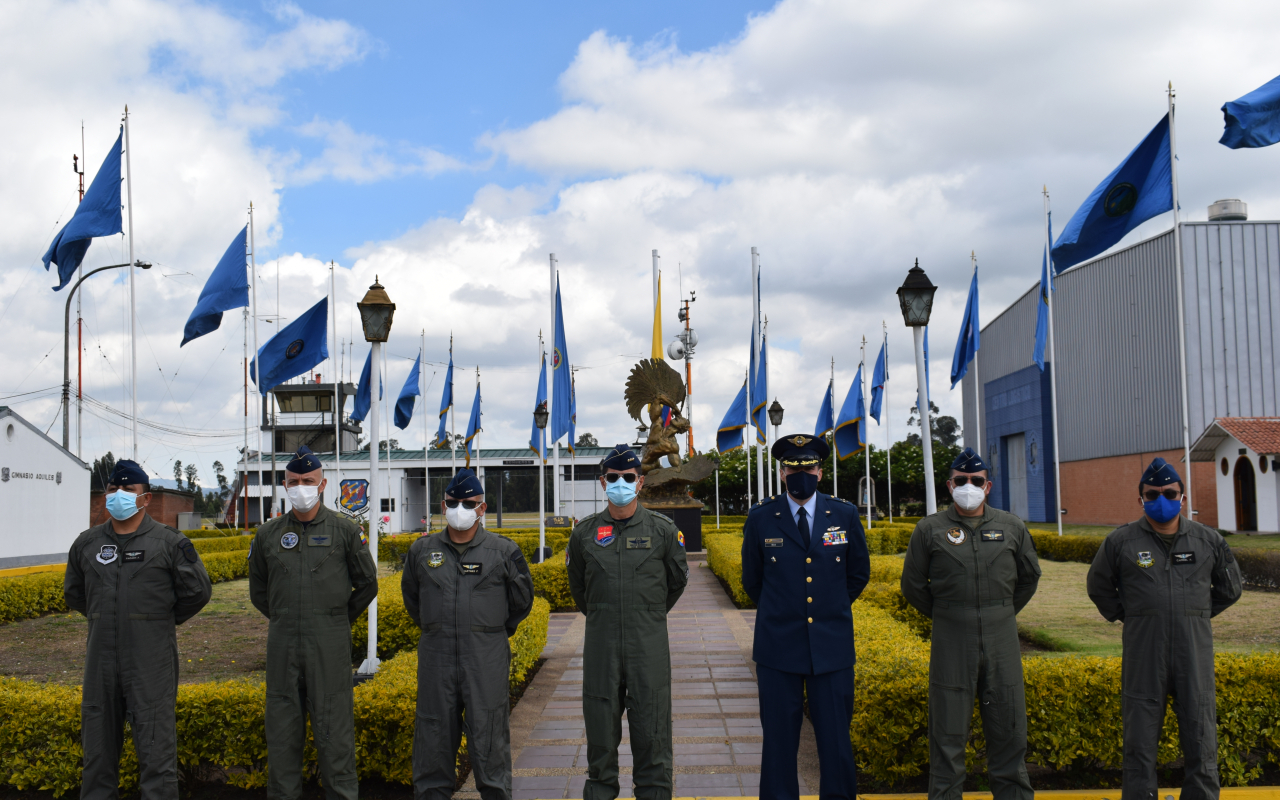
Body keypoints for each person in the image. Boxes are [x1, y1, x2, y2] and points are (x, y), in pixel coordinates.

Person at [1086, 457, 1242, 800]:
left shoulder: (1208, 541)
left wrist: (1196, 613)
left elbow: (1231, 588)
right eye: (1152, 493)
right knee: (1139, 737)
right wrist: (1135, 616)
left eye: (1169, 492)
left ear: (1182, 497)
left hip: (1193, 651)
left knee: (1200, 732)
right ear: (1139, 498)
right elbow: (1099, 587)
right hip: (1144, 651)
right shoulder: (1120, 542)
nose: (1161, 498)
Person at [64, 459, 213, 800]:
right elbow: (75, 593)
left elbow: (197, 592)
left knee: (156, 756)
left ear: (145, 498)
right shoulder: (86, 544)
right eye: (113, 489)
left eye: (128, 490)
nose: (118, 495)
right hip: (100, 663)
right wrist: (108, 616)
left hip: (152, 662)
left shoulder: (170, 543)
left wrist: (155, 620)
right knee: (97, 755)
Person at [900, 446, 1041, 800]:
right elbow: (913, 585)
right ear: (949, 486)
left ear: (988, 486)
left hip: (1001, 636)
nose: (968, 486)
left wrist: (1001, 610)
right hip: (951, 638)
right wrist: (949, 614)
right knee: (947, 736)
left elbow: (1029, 577)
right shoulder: (929, 529)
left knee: (1009, 731)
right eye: (960, 480)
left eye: (975, 480)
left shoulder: (1011, 526)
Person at [741, 433, 870, 800]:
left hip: (831, 648)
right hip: (778, 648)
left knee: (835, 741)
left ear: (820, 471)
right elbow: (753, 580)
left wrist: (828, 608)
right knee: (779, 742)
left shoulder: (842, 513)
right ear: (782, 473)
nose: (801, 475)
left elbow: (858, 573)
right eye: (792, 469)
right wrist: (786, 610)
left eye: (808, 468)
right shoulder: (763, 517)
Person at [248, 445, 378, 800]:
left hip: (330, 643)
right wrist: (285, 616)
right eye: (293, 481)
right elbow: (259, 590)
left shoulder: (346, 531)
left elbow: (368, 583)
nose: (300, 486)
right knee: (282, 734)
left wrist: (336, 618)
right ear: (284, 485)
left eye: (308, 480)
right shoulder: (268, 535)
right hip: (282, 644)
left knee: (335, 735)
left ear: (322, 484)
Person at [565, 444, 689, 800]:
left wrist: (646, 614)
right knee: (601, 738)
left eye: (628, 477)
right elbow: (579, 587)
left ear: (640, 482)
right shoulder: (584, 533)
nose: (620, 483)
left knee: (652, 735)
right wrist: (605, 613)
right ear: (603, 483)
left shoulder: (663, 531)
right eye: (613, 477)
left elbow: (676, 582)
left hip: (647, 647)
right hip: (601, 648)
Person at [402, 468, 535, 800]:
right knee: (433, 738)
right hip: (437, 659)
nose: (459, 508)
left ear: (482, 508)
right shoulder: (422, 551)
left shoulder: (503, 551)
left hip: (485, 659)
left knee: (489, 740)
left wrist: (490, 632)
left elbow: (522, 601)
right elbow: (413, 600)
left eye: (468, 502)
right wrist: (439, 628)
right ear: (443, 504)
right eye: (453, 502)